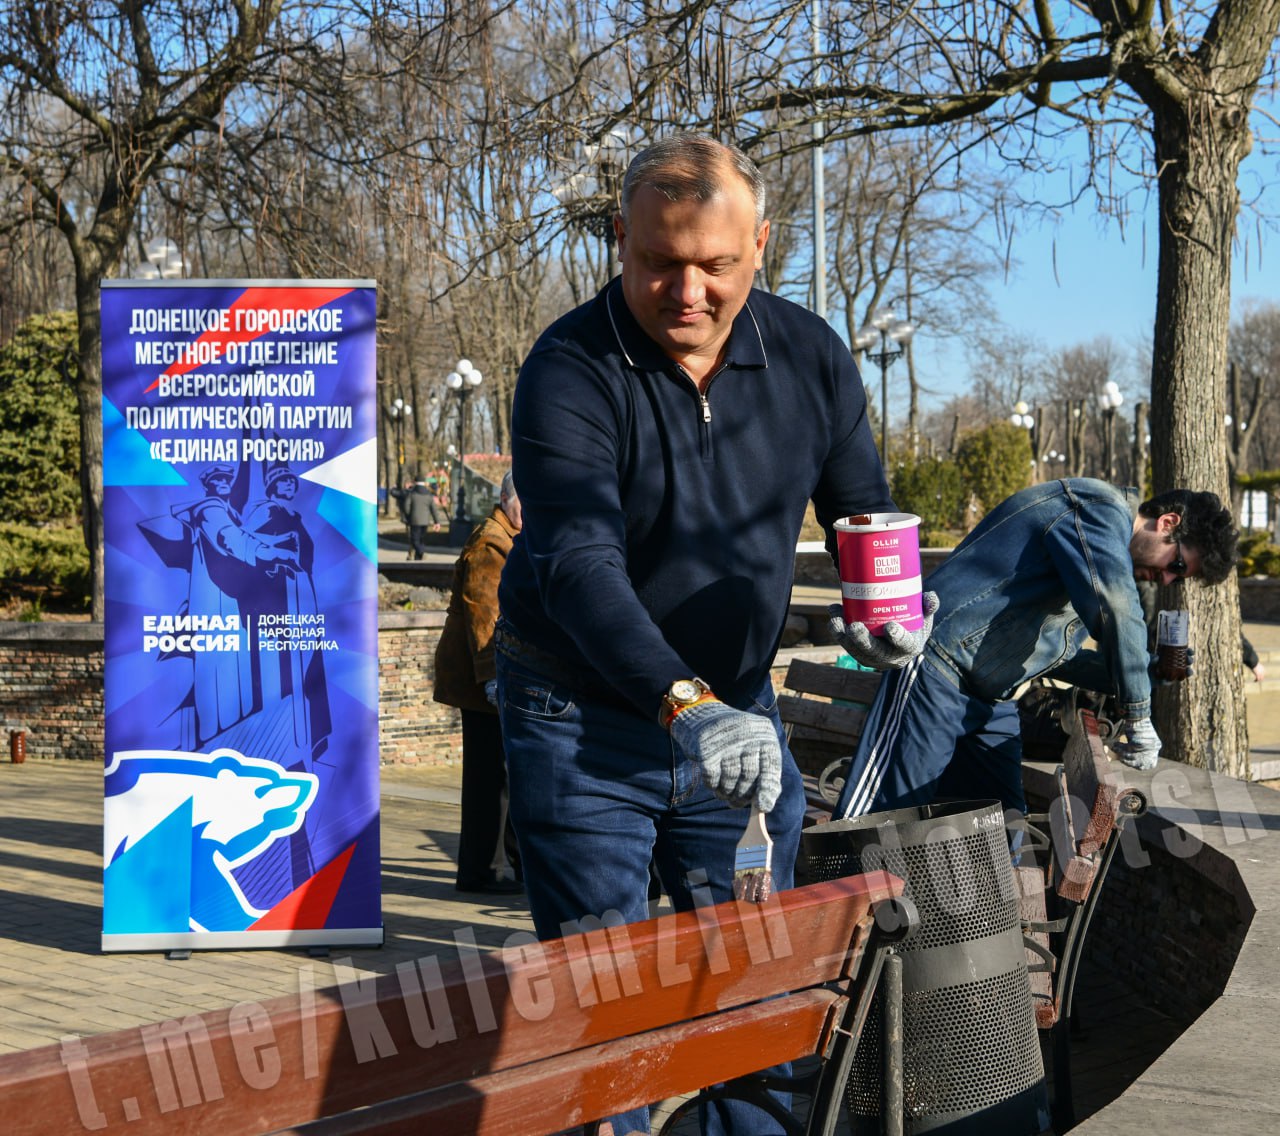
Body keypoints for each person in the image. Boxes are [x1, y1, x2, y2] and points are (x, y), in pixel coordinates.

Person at [494, 133, 928, 1136]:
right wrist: (685, 704)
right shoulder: (568, 369)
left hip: (738, 712)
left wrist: (890, 610)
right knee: (603, 1005)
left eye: (716, 265)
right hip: (581, 716)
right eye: (659, 261)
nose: (686, 291)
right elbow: (579, 564)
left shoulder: (810, 356)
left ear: (761, 246)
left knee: (757, 996)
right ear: (619, 237)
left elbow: (862, 509)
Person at [832, 481, 1238, 823]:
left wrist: (1150, 673)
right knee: (882, 819)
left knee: (1002, 826)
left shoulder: (1096, 553)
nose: (1164, 579)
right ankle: (838, 892)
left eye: (1176, 579)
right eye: (1177, 566)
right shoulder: (1097, 509)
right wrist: (1138, 711)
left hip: (990, 697)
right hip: (939, 667)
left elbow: (1061, 658)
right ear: (1168, 523)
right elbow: (1118, 607)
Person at [434, 470, 523, 895]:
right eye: (524, 501)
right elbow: (483, 613)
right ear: (506, 499)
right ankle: (482, 872)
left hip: (494, 673)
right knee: (490, 779)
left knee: (502, 775)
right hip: (481, 679)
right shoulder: (492, 542)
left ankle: (502, 866)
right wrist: (491, 678)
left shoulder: (509, 537)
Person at [392, 473, 442, 560]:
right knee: (421, 539)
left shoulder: (412, 493)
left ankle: (421, 552)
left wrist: (409, 515)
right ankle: (418, 557)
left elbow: (406, 506)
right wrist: (437, 522)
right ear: (424, 482)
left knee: (414, 539)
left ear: (415, 482)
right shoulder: (429, 495)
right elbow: (434, 509)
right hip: (425, 521)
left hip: (414, 520)